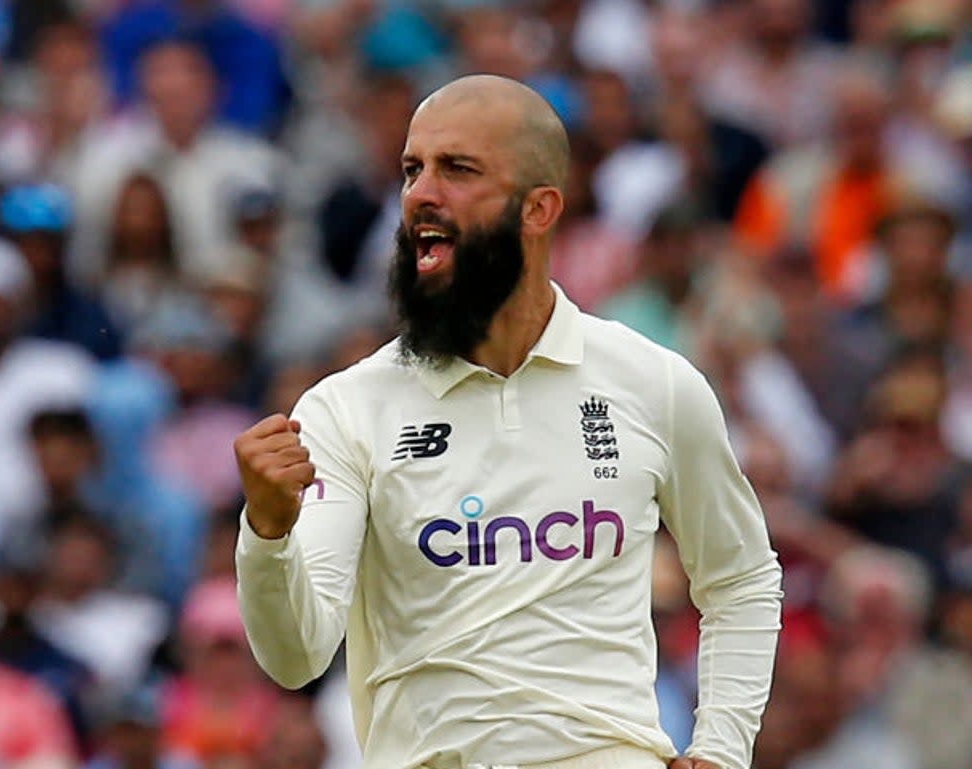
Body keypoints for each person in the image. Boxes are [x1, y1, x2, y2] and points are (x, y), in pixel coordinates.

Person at [234, 74, 783, 769]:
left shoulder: (653, 381)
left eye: (457, 169)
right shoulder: (346, 408)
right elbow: (295, 655)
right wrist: (269, 532)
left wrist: (722, 749)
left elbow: (742, 578)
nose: (421, 193)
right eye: (412, 169)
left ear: (539, 208)